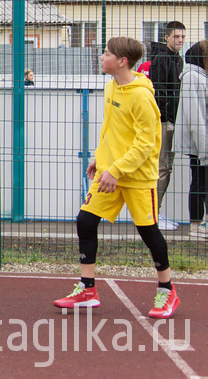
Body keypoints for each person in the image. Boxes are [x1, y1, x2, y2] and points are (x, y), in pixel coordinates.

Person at [52, 36, 179, 319]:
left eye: (107, 53)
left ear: (122, 61)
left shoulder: (142, 96)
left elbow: (146, 144)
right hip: (110, 172)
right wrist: (102, 157)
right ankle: (87, 289)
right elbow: (111, 129)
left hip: (136, 177)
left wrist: (117, 169)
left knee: (148, 231)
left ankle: (167, 290)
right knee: (85, 220)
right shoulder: (111, 86)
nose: (101, 56)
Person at [149, 20, 186, 230]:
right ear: (166, 37)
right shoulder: (163, 58)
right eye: (176, 37)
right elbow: (159, 89)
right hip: (163, 120)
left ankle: (155, 213)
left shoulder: (176, 58)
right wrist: (167, 115)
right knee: (162, 168)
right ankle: (153, 215)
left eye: (182, 37)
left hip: (170, 119)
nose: (180, 40)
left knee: (165, 168)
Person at [174, 40, 208, 239]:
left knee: (202, 182)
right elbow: (195, 116)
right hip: (199, 142)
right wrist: (204, 148)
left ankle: (201, 223)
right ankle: (195, 225)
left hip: (202, 139)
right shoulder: (192, 77)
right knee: (199, 183)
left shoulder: (199, 76)